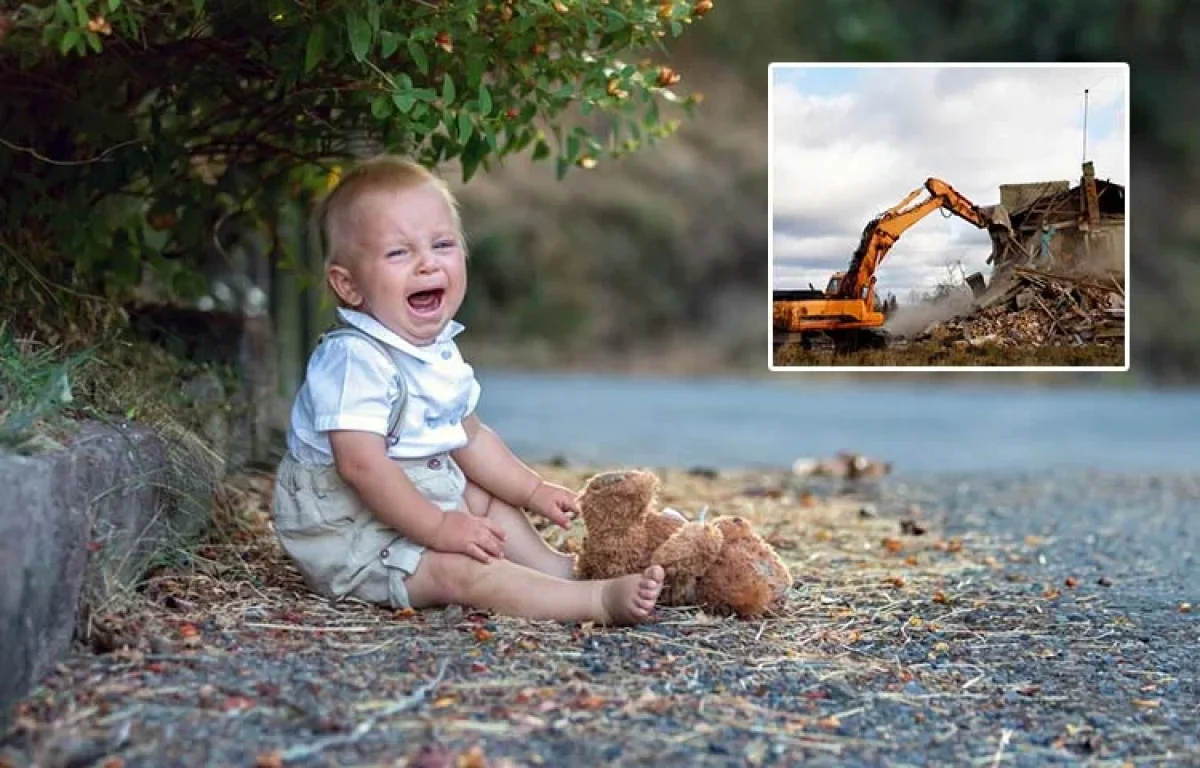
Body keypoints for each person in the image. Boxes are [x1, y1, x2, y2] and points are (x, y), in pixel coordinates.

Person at [272, 155, 664, 626]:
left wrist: (532, 489)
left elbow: (470, 438)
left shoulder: (435, 350)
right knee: (458, 570)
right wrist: (440, 528)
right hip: (353, 535)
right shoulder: (353, 359)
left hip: (412, 498)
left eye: (442, 244)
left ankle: (558, 573)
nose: (426, 264)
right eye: (398, 253)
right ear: (349, 285)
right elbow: (362, 465)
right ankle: (594, 603)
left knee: (488, 500)